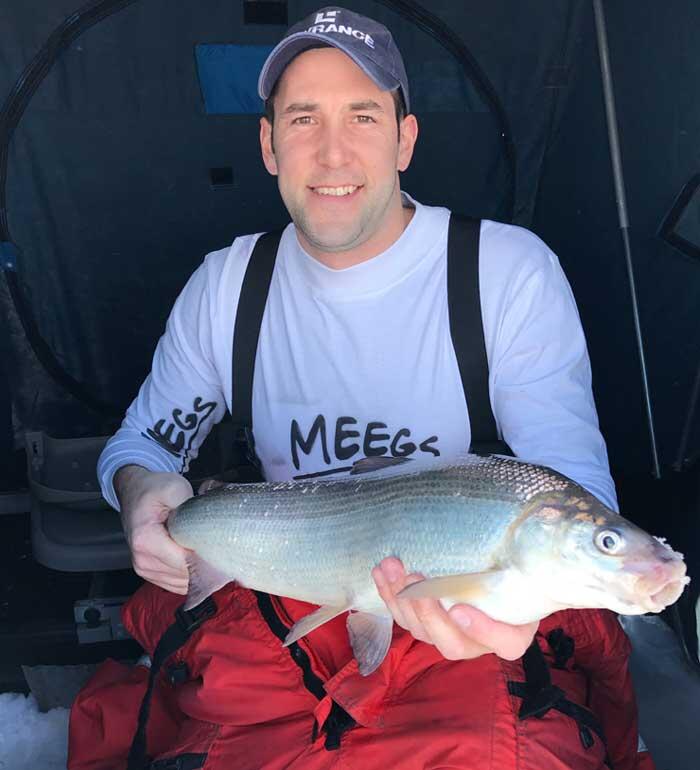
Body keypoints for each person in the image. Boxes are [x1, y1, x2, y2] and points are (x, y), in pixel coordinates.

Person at [69, 7, 652, 770]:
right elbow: (140, 446)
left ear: (406, 139)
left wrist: (514, 615)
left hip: (468, 624)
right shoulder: (227, 287)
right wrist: (143, 495)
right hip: (287, 603)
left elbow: (572, 494)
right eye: (303, 118)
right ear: (269, 144)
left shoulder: (504, 272)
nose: (333, 151)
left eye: (364, 116)